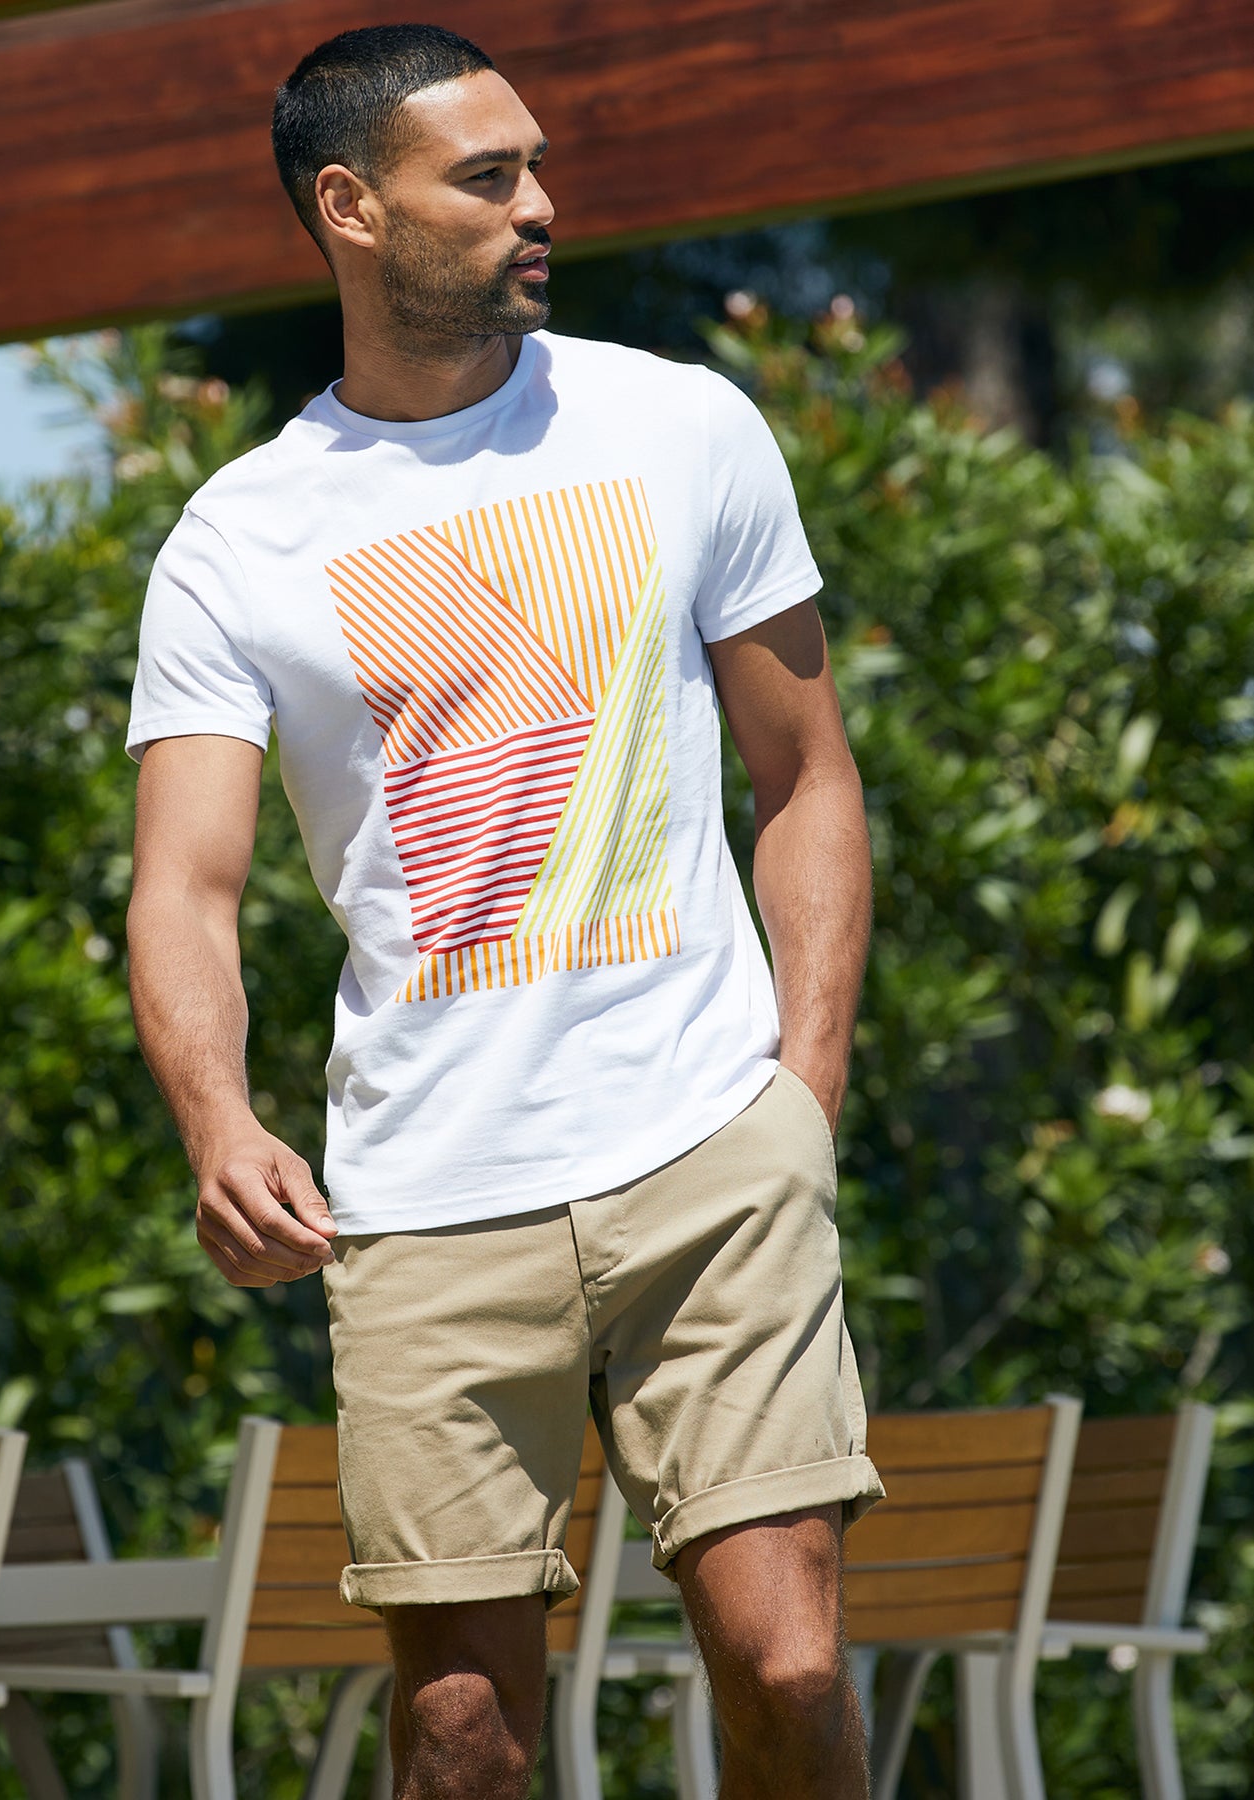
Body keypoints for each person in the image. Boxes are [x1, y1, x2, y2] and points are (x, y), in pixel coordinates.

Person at [125, 22, 882, 1799]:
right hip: (425, 1195)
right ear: (350, 207)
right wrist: (216, 1120)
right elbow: (185, 885)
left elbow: (808, 777)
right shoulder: (239, 537)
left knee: (785, 1661)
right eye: (486, 178)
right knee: (463, 1737)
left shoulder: (679, 424)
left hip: (709, 1149)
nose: (539, 205)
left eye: (536, 167)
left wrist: (800, 1094)